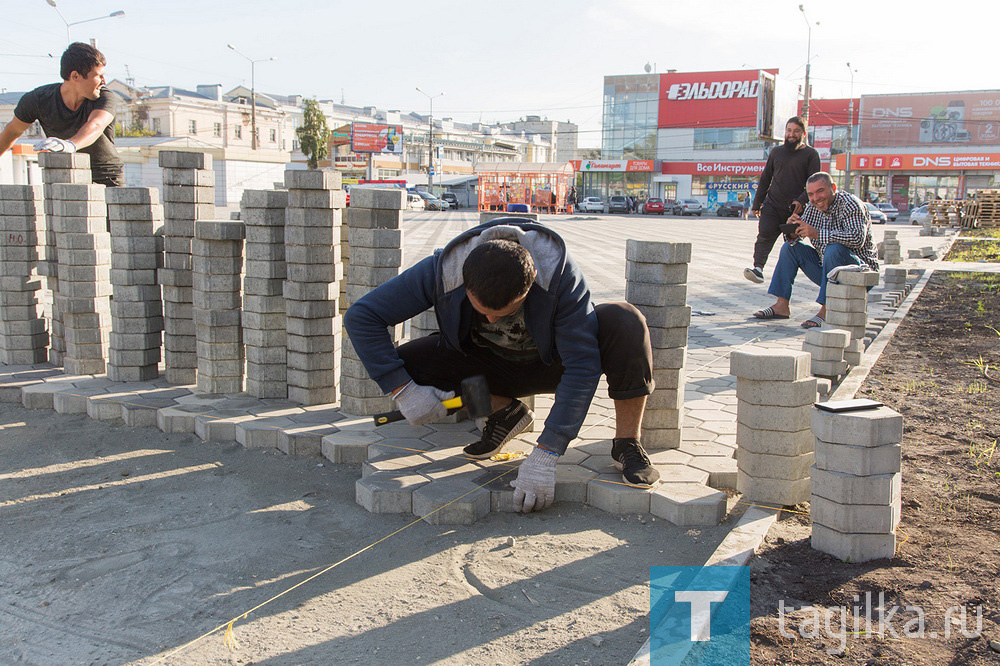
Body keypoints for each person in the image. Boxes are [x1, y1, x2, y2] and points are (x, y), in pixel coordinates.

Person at [344, 218, 659, 514]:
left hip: (552, 366)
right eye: (484, 311)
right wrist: (404, 391)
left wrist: (547, 453)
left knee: (625, 320)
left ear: (530, 283)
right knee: (408, 364)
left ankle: (627, 443)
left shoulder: (558, 276)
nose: (493, 320)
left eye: (506, 311)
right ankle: (505, 412)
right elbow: (362, 317)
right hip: (489, 367)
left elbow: (582, 368)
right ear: (465, 282)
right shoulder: (445, 270)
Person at [751, 172, 878, 329]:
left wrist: (817, 233)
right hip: (829, 272)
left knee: (834, 248)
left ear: (833, 188)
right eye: (810, 194)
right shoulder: (812, 207)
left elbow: (857, 239)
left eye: (820, 191)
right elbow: (800, 235)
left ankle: (826, 310)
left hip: (860, 273)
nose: (816, 198)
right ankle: (781, 306)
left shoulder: (851, 204)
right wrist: (792, 229)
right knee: (790, 248)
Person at [0, 42, 124, 187]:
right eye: (98, 76)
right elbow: (12, 131)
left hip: (106, 178)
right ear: (75, 76)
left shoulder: (104, 97)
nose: (104, 81)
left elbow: (96, 125)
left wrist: (70, 145)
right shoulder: (38, 100)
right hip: (65, 178)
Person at [744, 116, 821, 284]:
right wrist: (757, 204)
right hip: (772, 205)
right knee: (764, 236)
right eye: (789, 130)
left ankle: (788, 281)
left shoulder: (811, 155)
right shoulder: (777, 152)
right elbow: (765, 178)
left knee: (792, 247)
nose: (791, 134)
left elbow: (813, 182)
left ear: (803, 133)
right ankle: (758, 269)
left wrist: (801, 200)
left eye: (796, 131)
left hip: (794, 211)